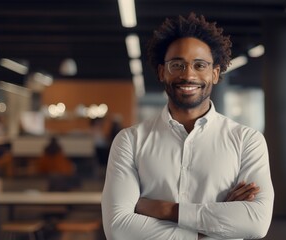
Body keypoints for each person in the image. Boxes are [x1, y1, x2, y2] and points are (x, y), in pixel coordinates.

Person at [101, 13, 274, 240]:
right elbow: (118, 227)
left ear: (214, 73)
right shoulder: (130, 141)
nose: (188, 74)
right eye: (177, 65)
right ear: (163, 72)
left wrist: (165, 210)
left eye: (199, 65)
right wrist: (210, 231)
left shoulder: (247, 140)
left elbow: (256, 223)